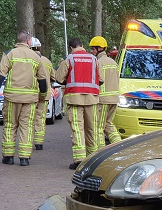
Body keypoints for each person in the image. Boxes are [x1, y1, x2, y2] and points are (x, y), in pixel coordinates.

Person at [0, 30, 48, 167]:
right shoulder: (36, 57)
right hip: (30, 99)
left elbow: (1, 75)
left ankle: (9, 156)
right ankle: (24, 157)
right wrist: (43, 95)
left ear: (18, 41)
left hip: (12, 98)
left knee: (10, 125)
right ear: (28, 41)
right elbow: (42, 79)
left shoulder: (9, 54)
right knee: (26, 126)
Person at [56, 38, 103, 170]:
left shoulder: (69, 59)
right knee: (91, 128)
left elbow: (59, 79)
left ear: (71, 47)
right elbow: (102, 79)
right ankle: (93, 158)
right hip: (92, 99)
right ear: (82, 46)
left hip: (74, 98)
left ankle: (79, 160)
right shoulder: (94, 59)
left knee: (77, 129)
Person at [89, 36, 121, 148]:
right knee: (109, 124)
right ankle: (118, 145)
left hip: (103, 100)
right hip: (114, 99)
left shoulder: (98, 62)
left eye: (93, 49)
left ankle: (100, 151)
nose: (92, 51)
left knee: (98, 127)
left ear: (99, 49)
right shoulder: (114, 63)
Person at [30, 36, 56, 151]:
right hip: (44, 95)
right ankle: (39, 143)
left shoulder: (29, 60)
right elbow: (54, 77)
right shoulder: (47, 61)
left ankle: (27, 142)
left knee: (30, 118)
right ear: (39, 48)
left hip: (32, 94)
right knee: (40, 118)